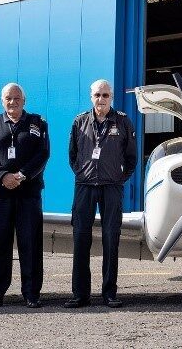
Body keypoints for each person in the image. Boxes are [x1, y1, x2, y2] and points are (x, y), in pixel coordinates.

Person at [65, 79, 137, 309]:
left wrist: (118, 178)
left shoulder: (123, 122)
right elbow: (73, 155)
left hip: (111, 188)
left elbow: (131, 158)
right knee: (81, 239)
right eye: (97, 95)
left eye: (105, 95)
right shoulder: (79, 122)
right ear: (91, 97)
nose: (101, 99)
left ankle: (109, 293)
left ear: (111, 98)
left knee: (110, 239)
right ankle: (80, 295)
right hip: (85, 187)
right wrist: (83, 173)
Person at [0, 82, 49, 309]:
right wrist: (2, 176)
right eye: (8, 98)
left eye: (17, 98)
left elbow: (43, 154)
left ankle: (31, 293)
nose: (12, 102)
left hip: (29, 193)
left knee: (30, 243)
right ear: (2, 101)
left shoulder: (38, 122)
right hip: (0, 194)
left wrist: (21, 175)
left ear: (24, 101)